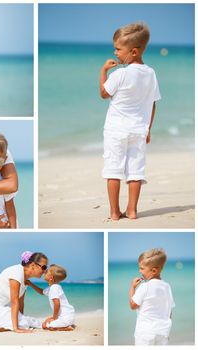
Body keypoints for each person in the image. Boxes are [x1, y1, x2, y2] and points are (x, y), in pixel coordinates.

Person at [99, 22, 161, 220]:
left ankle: (115, 212)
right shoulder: (151, 73)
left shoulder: (120, 73)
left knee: (113, 169)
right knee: (136, 170)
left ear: (133, 52)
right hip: (139, 130)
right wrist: (148, 129)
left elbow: (103, 93)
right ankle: (132, 210)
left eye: (118, 49)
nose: (115, 52)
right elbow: (153, 104)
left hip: (116, 130)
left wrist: (103, 71)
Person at [0, 251, 48, 332]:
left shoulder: (25, 280)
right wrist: (16, 328)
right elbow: (14, 302)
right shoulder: (16, 272)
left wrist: (21, 319)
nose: (45, 271)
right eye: (44, 267)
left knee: (24, 322)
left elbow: (21, 303)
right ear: (33, 265)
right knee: (22, 323)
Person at [129, 248, 175, 345]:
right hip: (163, 332)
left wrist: (132, 288)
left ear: (153, 270)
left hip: (145, 333)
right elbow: (170, 310)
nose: (140, 271)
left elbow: (133, 305)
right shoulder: (167, 286)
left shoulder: (145, 287)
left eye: (142, 268)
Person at [26, 264, 75, 331]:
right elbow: (41, 292)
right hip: (68, 316)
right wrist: (30, 284)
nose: (44, 273)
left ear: (51, 277)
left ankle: (66, 327)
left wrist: (54, 318)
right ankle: (65, 324)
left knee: (45, 326)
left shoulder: (53, 288)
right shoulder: (54, 287)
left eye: (46, 272)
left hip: (66, 317)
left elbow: (57, 304)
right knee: (46, 321)